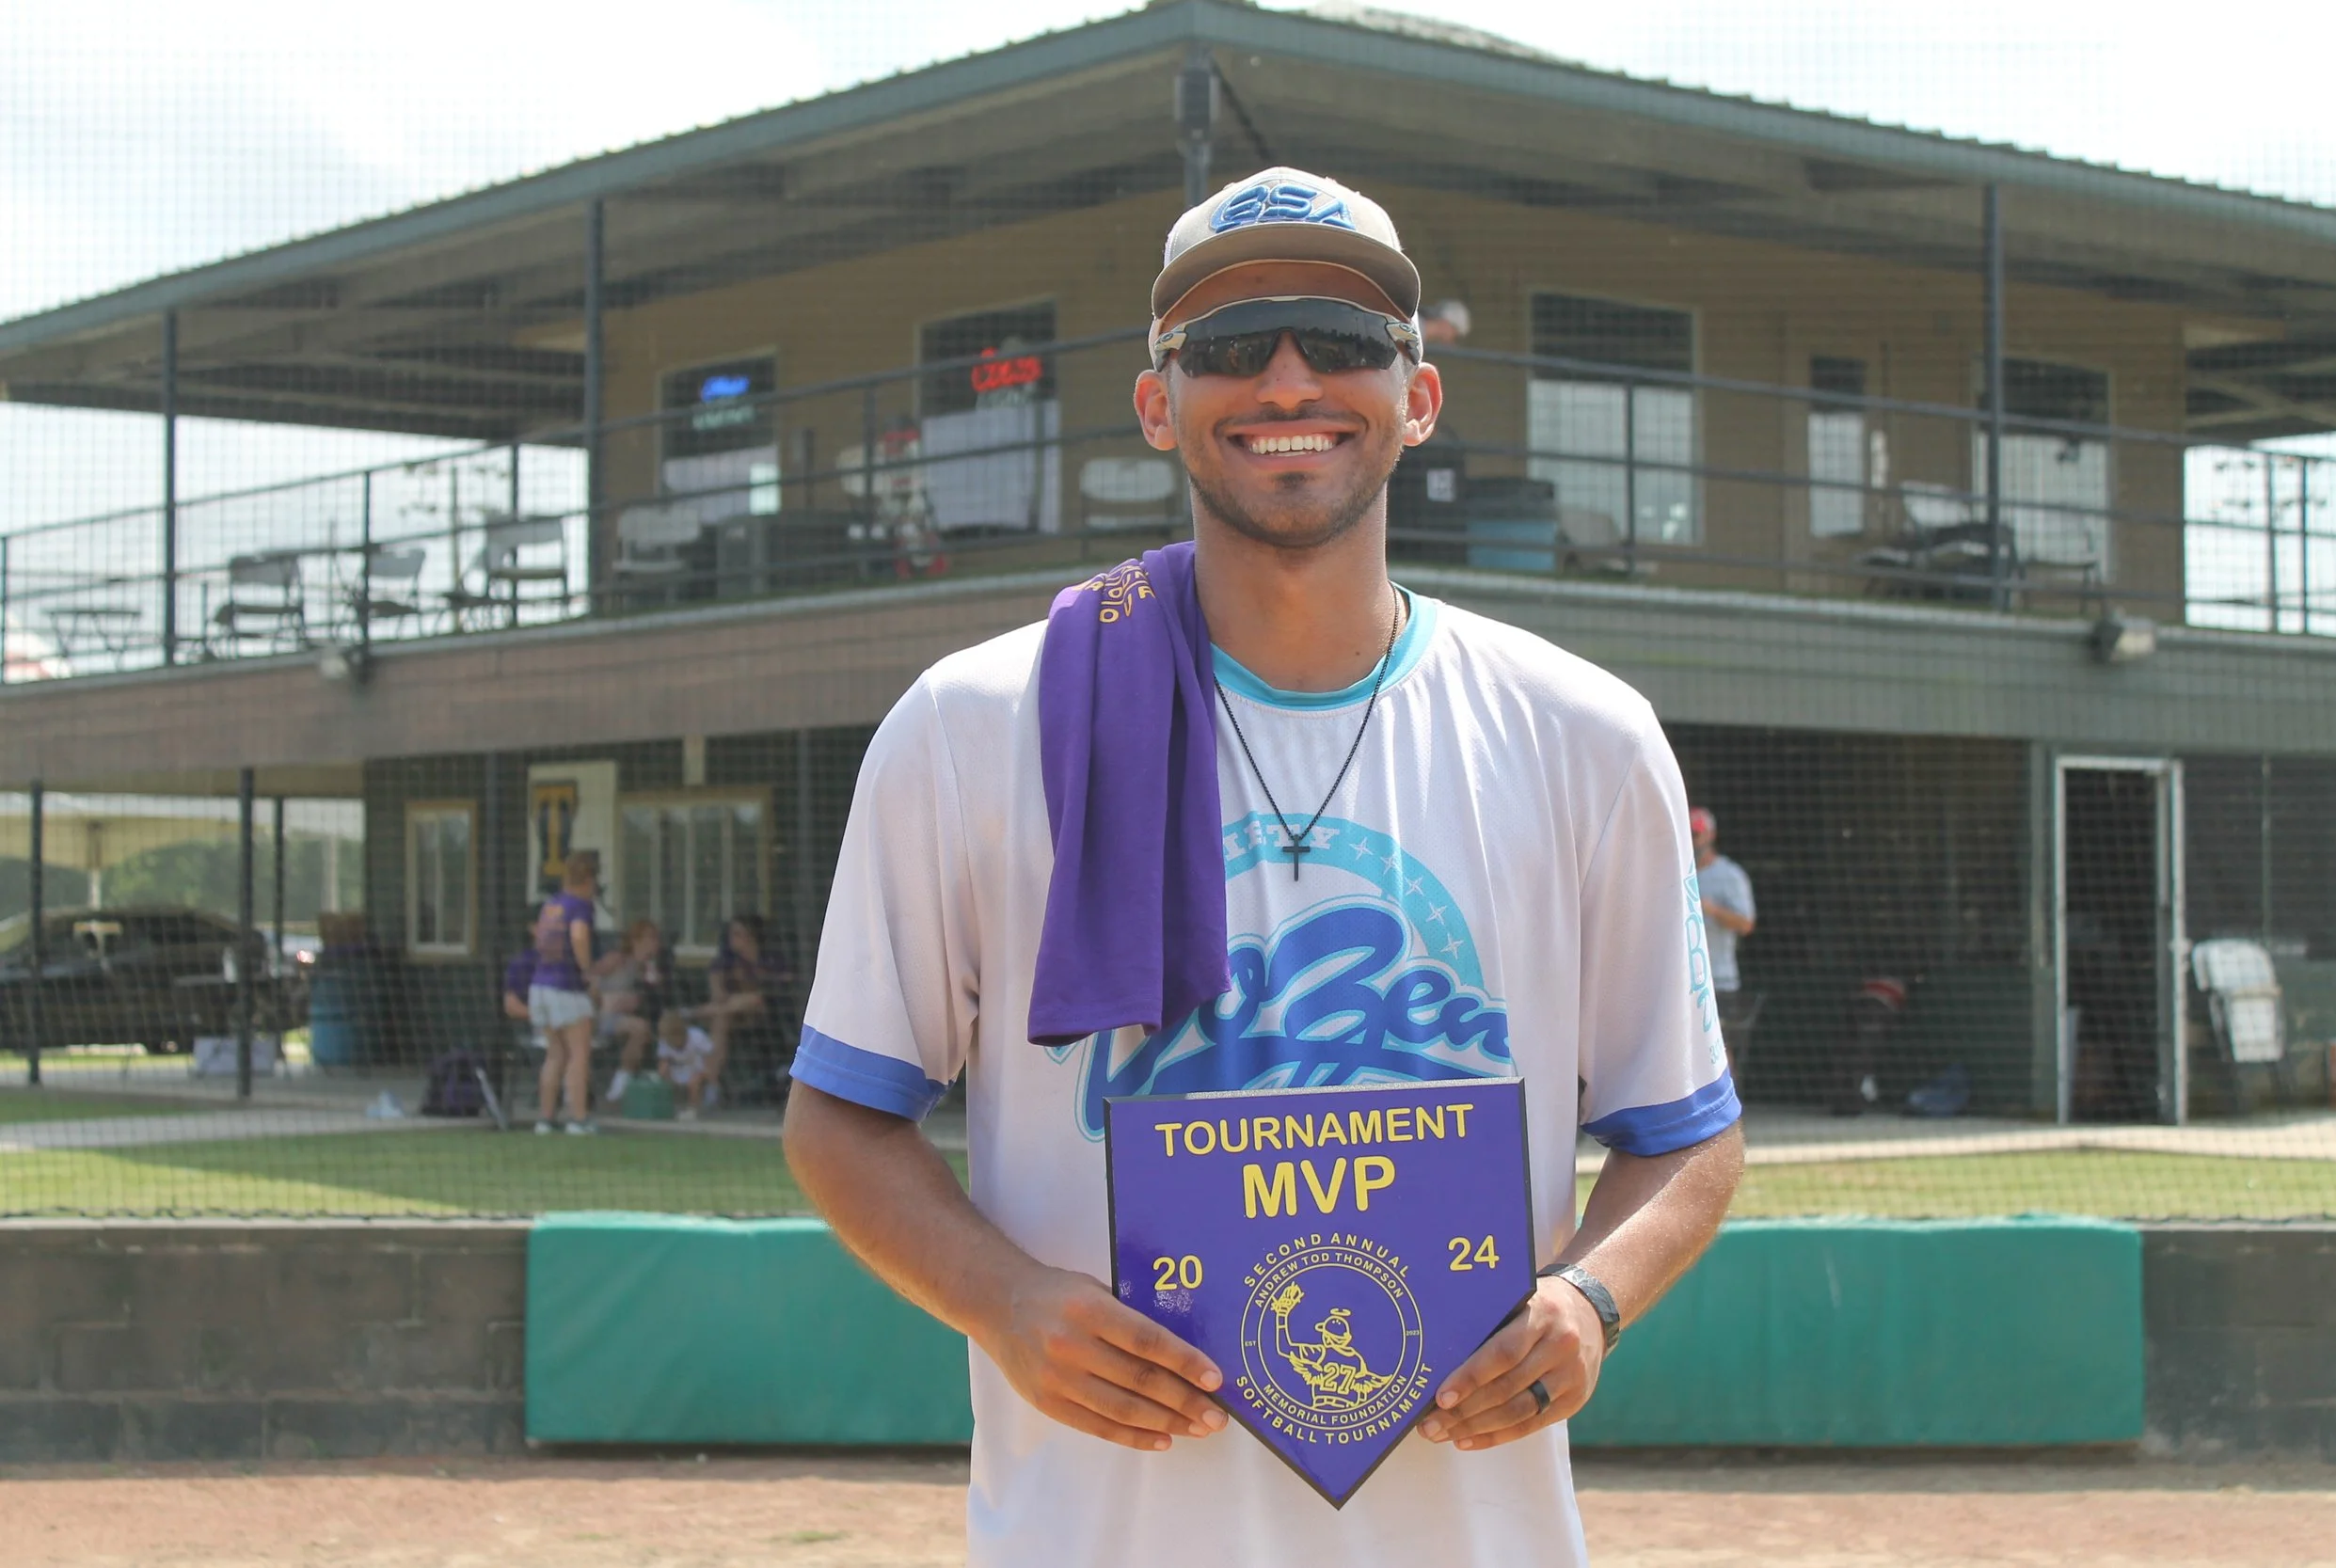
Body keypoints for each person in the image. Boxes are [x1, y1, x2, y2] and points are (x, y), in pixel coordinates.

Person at [781, 167, 1743, 1568]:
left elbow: (1689, 1126)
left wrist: (1591, 1301)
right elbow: (837, 1115)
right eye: (1230, 347)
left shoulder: (1582, 735)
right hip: (1095, 1529)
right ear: (1160, 402)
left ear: (1416, 396)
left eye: (1343, 340)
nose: (1287, 376)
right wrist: (1004, 1297)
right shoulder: (979, 723)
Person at [530, 850, 601, 1135]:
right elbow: (579, 936)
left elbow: (541, 941)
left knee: (554, 1054)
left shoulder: (551, 905)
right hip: (567, 988)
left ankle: (545, 1120)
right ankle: (578, 1119)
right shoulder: (580, 906)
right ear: (588, 879)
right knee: (579, 1054)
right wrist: (588, 973)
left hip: (540, 985)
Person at [1691, 807, 1761, 1081]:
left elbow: (1746, 924)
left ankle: (1724, 1111)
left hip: (1719, 978)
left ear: (1710, 836)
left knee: (1718, 1047)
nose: (1692, 841)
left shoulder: (1729, 875)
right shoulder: (1671, 871)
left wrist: (1712, 910)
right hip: (1680, 981)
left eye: (1696, 835)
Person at [696, 913, 793, 1100]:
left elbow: (770, 992)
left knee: (746, 1003)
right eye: (731, 933)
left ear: (751, 935)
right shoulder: (727, 961)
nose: (732, 938)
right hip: (732, 1015)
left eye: (738, 933)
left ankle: (709, 1080)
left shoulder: (770, 959)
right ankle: (711, 1083)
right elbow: (718, 995)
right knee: (722, 1019)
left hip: (764, 1016)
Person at [597, 919, 667, 1104]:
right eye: (650, 938)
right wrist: (605, 1000)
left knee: (642, 1028)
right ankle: (619, 1087)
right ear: (635, 940)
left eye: (657, 939)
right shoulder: (617, 959)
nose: (655, 943)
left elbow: (655, 1001)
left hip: (630, 1019)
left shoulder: (650, 968)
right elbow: (588, 979)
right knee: (640, 1027)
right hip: (602, 1015)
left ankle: (623, 1081)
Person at [652, 1007, 721, 1121]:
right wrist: (662, 1073)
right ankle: (671, 1108)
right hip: (678, 1072)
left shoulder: (696, 1036)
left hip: (700, 1070)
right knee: (664, 1079)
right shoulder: (664, 1042)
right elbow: (663, 1063)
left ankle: (693, 1110)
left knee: (693, 1082)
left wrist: (708, 1076)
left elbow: (710, 1060)